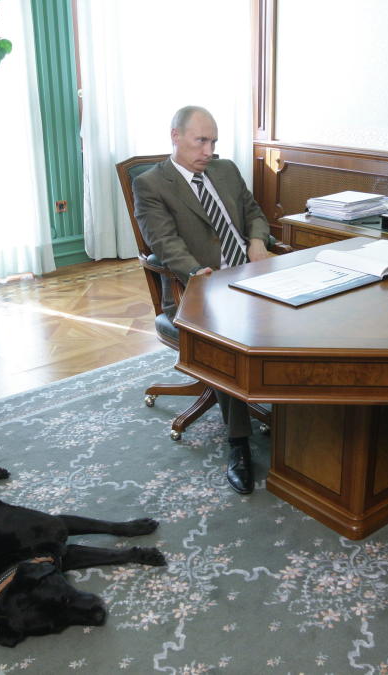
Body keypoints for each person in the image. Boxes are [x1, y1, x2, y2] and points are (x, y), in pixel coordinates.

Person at [133, 105, 272, 495]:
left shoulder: (224, 170)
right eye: (201, 141)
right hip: (194, 289)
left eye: (213, 141)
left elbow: (253, 212)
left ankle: (299, 411)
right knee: (226, 340)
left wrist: (258, 240)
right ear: (175, 136)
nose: (209, 150)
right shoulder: (151, 184)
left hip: (249, 275)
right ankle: (239, 443)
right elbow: (164, 243)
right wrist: (198, 275)